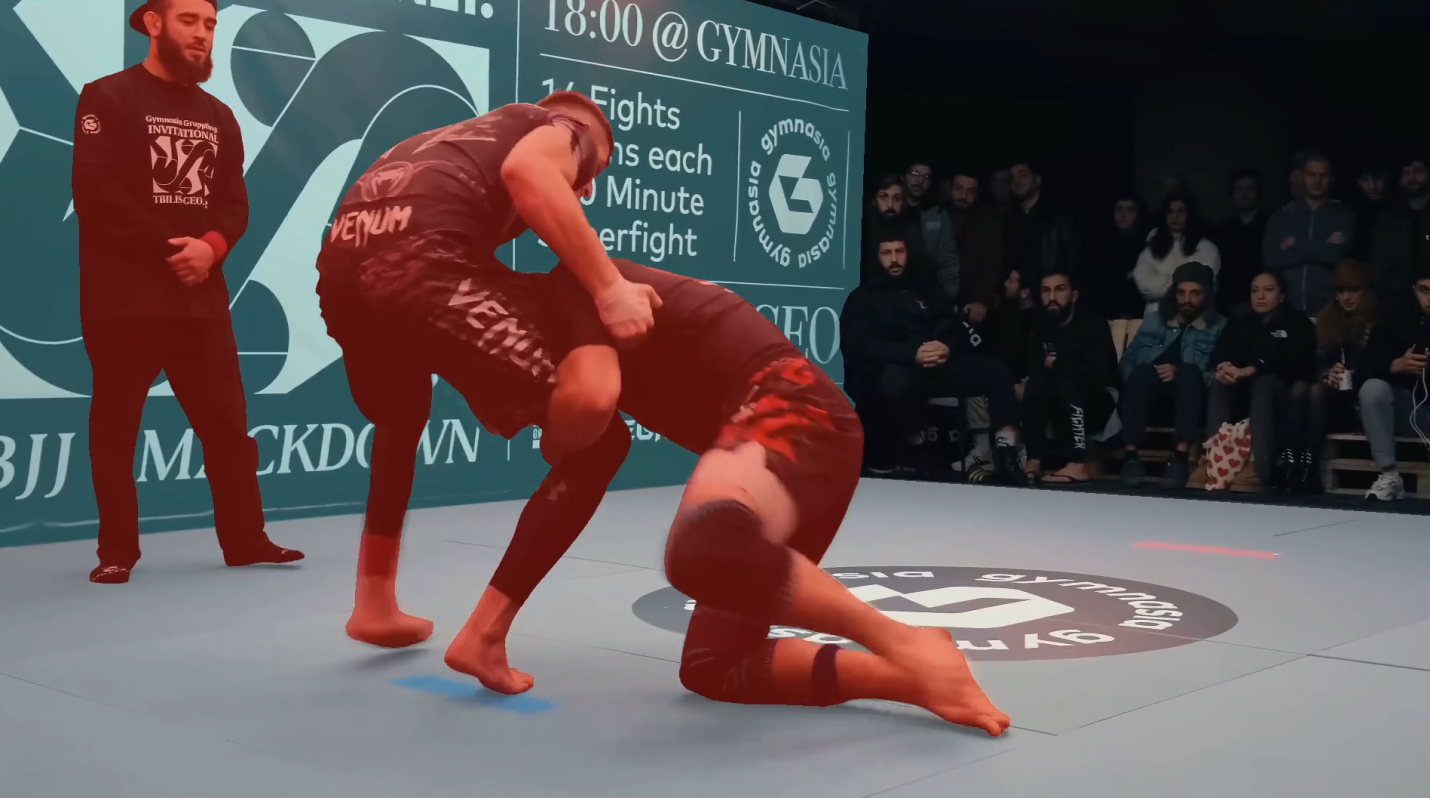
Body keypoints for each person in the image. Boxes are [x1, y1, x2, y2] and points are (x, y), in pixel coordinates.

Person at [440, 257, 1011, 737]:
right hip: (806, 441)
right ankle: (911, 679)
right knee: (716, 667)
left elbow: (580, 415)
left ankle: (907, 642)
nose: (501, 423)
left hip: (795, 408)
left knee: (702, 547)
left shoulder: (575, 289)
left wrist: (549, 430)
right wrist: (486, 628)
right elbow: (580, 470)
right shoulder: (574, 334)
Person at [315, 90, 661, 647]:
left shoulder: (444, 139)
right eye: (595, 171)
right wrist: (610, 287)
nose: (587, 186)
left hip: (340, 274)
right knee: (601, 443)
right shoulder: (565, 130)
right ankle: (486, 636)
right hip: (421, 267)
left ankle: (373, 602)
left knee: (401, 418)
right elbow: (530, 172)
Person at [72, 0, 303, 584]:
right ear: (153, 23)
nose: (202, 34)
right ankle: (116, 551)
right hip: (124, 302)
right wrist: (175, 249)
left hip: (201, 301)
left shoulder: (219, 116)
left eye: (210, 24)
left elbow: (234, 203)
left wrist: (212, 248)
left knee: (228, 428)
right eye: (188, 21)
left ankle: (246, 540)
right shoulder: (106, 97)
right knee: (116, 430)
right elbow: (96, 194)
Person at [841, 229, 1026, 482]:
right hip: (897, 371)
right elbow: (858, 345)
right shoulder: (862, 297)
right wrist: (912, 354)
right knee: (893, 381)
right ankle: (917, 446)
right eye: (887, 253)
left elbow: (956, 327)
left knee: (997, 372)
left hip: (938, 366)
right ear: (877, 257)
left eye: (899, 251)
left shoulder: (925, 288)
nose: (894, 259)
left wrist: (946, 347)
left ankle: (1006, 453)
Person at [1205, 271, 1318, 492]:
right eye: (1255, 290)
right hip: (1243, 390)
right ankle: (1214, 461)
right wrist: (1225, 366)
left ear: (1282, 295)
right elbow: (1221, 351)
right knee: (1220, 382)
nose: (1260, 296)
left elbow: (1299, 361)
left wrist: (1254, 369)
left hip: (1284, 395)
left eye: (1268, 290)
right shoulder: (1240, 322)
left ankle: (1260, 468)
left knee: (1264, 383)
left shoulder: (1298, 322)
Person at [1118, 262, 1225, 490]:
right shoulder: (1154, 320)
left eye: (1194, 293)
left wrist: (1178, 372)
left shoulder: (1218, 327)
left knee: (1188, 372)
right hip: (1147, 397)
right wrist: (1136, 381)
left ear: (1206, 295)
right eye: (1181, 292)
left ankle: (1180, 458)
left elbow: (1217, 376)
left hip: (1192, 402)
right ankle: (1130, 458)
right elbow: (1128, 360)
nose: (1186, 299)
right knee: (1140, 372)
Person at [1022, 270, 1121, 485]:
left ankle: (1079, 462)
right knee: (1035, 384)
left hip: (1099, 403)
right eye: (1046, 290)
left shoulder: (1094, 325)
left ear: (1074, 296)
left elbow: (1097, 374)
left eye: (1059, 289)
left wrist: (1057, 364)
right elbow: (1035, 368)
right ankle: (1033, 459)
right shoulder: (1039, 326)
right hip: (1058, 401)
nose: (1052, 297)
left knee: (1069, 381)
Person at [1303, 260, 1380, 494]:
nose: (1346, 297)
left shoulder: (1378, 323)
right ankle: (1307, 469)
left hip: (1364, 403)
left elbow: (1381, 368)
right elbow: (1312, 364)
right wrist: (1327, 374)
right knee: (1312, 391)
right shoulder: (1326, 322)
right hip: (1333, 401)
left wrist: (1353, 375)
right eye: (1341, 291)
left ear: (1365, 290)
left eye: (1353, 290)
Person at [1355, 265, 1430, 502]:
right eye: (1424, 291)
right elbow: (1361, 374)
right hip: (1409, 412)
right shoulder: (1394, 321)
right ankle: (1389, 475)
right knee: (1372, 389)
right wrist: (1394, 366)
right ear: (1414, 290)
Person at [1262, 151, 1356, 313]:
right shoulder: (1282, 215)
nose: (1317, 181)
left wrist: (1295, 243)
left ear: (1331, 178)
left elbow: (1335, 256)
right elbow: (1272, 259)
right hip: (1287, 308)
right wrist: (1321, 248)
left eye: (1323, 175)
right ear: (1302, 177)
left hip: (1331, 309)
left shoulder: (1343, 216)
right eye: (1312, 175)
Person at [1133, 191, 1221, 318]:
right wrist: (1181, 281)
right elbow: (1145, 285)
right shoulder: (1151, 249)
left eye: (1181, 211)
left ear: (1189, 214)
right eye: (1170, 211)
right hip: (1155, 318)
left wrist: (1163, 280)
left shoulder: (1206, 248)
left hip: (1195, 319)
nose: (1175, 216)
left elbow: (1202, 285)